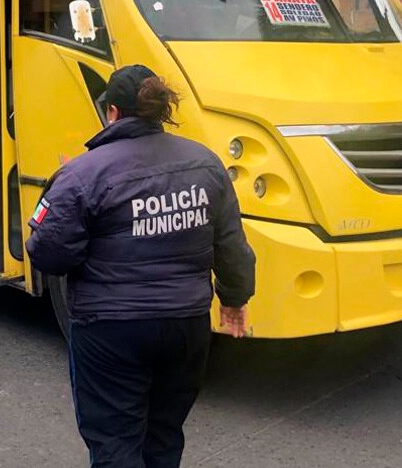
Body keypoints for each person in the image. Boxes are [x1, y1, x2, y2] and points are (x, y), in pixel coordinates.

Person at [26, 64, 257, 468]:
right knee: (165, 436)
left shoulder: (82, 173)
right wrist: (234, 300)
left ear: (112, 111)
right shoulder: (204, 163)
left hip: (111, 329)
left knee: (115, 441)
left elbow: (48, 254)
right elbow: (232, 245)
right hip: (187, 324)